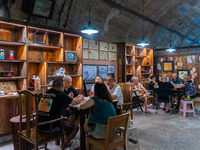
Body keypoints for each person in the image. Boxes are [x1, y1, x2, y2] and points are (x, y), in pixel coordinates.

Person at [38, 78, 84, 148]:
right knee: (75, 127)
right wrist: (81, 97)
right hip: (49, 127)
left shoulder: (46, 93)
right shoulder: (60, 94)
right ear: (62, 87)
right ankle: (64, 144)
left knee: (66, 118)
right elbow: (76, 102)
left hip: (39, 124)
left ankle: (65, 143)